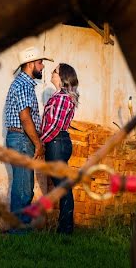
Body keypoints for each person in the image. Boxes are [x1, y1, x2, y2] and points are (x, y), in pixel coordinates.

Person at [3, 45, 50, 225]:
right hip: (22, 139)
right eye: (40, 62)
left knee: (24, 187)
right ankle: (19, 231)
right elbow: (25, 118)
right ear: (30, 64)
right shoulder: (23, 84)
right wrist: (38, 144)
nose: (42, 66)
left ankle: (19, 230)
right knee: (23, 189)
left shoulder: (25, 84)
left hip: (21, 139)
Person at [41, 63, 80, 235]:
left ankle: (65, 230)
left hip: (56, 142)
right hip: (58, 142)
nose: (51, 72)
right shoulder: (61, 96)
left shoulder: (62, 98)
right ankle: (65, 228)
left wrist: (41, 142)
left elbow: (55, 125)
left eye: (55, 71)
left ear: (62, 77)